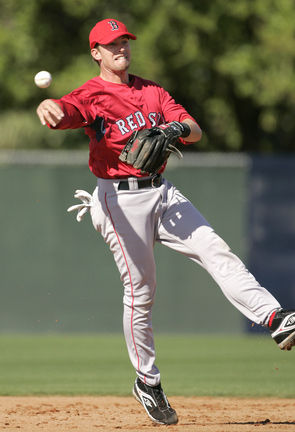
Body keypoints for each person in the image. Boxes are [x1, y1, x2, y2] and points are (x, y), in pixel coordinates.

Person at [36, 18, 295, 426]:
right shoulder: (92, 95)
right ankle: (147, 380)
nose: (120, 48)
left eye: (124, 41)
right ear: (96, 53)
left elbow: (194, 130)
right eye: (111, 43)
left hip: (161, 190)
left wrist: (176, 127)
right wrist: (49, 108)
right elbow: (66, 111)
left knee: (215, 249)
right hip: (119, 201)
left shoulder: (152, 91)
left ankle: (275, 318)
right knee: (141, 292)